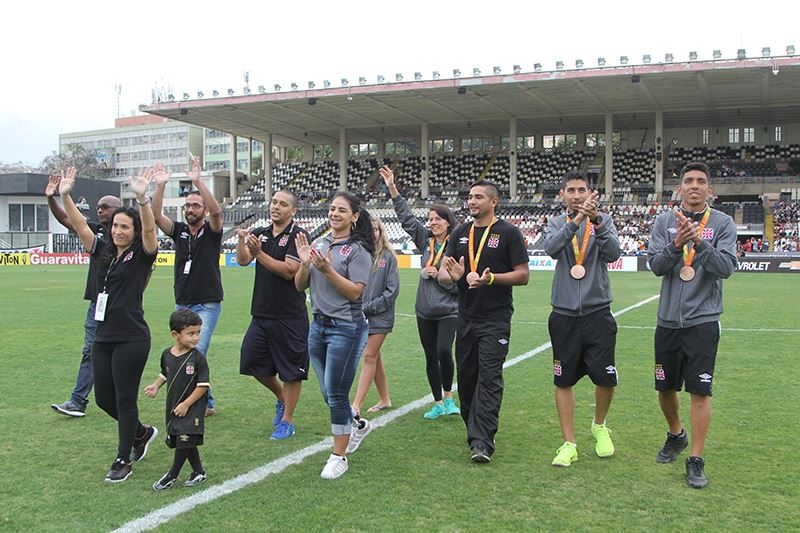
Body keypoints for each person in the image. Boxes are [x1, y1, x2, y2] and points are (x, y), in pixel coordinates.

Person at [58, 166, 160, 483]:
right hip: (104, 336)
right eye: (115, 226)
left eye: (124, 227)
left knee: (125, 399)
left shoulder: (142, 254)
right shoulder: (102, 252)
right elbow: (77, 223)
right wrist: (64, 194)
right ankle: (141, 433)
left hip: (132, 337)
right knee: (104, 399)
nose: (118, 231)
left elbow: (149, 233)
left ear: (132, 230)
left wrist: (143, 200)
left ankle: (122, 459)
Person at [647, 161, 737, 489]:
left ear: (709, 189)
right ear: (680, 188)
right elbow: (655, 265)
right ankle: (676, 434)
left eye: (701, 181)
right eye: (689, 181)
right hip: (668, 321)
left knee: (700, 391)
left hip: (703, 321)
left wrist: (698, 242)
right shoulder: (664, 222)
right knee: (665, 388)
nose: (695, 186)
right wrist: (675, 245)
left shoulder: (723, 223)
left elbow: (726, 267)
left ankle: (695, 460)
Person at [440, 179, 530, 463]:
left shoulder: (508, 233)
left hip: (496, 319)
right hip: (465, 317)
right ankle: (474, 429)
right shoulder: (460, 233)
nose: (472, 201)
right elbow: (444, 271)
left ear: (494, 202)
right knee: (467, 380)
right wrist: (452, 277)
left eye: (478, 197)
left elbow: (523, 274)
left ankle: (483, 441)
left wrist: (491, 278)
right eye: (470, 196)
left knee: (489, 378)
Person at [543, 170, 620, 467]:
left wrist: (596, 221)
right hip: (563, 314)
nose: (577, 195)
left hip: (598, 311)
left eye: (582, 190)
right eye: (571, 190)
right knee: (563, 380)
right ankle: (569, 442)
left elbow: (612, 253)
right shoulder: (555, 223)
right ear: (563, 195)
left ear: (590, 194)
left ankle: (599, 425)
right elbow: (550, 249)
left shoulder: (605, 220)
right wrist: (576, 221)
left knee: (606, 377)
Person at [294, 191, 375, 479]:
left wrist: (327, 270)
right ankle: (358, 425)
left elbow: (356, 292)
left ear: (354, 217)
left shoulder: (358, 250)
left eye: (342, 210)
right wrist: (305, 264)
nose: (335, 214)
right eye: (332, 209)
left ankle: (338, 456)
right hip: (318, 326)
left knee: (337, 394)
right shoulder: (319, 243)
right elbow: (299, 286)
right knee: (330, 394)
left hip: (346, 328)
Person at [379, 166, 461, 419]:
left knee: (444, 351)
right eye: (431, 219)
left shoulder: (457, 244)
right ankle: (437, 402)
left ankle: (449, 397)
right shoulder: (425, 240)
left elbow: (462, 282)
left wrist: (442, 279)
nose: (433, 222)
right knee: (430, 356)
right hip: (424, 310)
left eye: (438, 219)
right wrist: (393, 188)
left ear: (448, 222)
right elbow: (406, 218)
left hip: (448, 309)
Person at [151, 156, 223, 416]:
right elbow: (157, 216)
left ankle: (197, 404)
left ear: (202, 210)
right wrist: (159, 186)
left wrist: (198, 181)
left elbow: (216, 213)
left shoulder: (212, 232)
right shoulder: (179, 230)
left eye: (196, 206)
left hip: (207, 302)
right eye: (188, 205)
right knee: (189, 349)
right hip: (183, 301)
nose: (191, 209)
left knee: (196, 349)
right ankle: (209, 401)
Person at [236, 190, 310, 440]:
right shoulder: (261, 233)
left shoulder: (298, 235)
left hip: (289, 315)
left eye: (283, 204)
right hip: (261, 313)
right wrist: (241, 240)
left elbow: (290, 270)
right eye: (274, 202)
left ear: (293, 211)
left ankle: (287, 421)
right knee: (251, 361)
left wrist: (260, 254)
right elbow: (244, 260)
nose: (276, 207)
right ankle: (281, 397)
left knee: (291, 370)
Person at [46, 174, 121, 417]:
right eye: (97, 207)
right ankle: (78, 401)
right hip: (97, 303)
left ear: (118, 210)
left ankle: (119, 396)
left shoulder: (129, 234)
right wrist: (51, 198)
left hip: (121, 305)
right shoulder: (96, 231)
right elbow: (68, 219)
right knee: (90, 350)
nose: (99, 210)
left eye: (104, 207)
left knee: (119, 352)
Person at [144, 309, 210, 491]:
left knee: (184, 438)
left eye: (198, 333)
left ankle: (172, 475)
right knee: (184, 440)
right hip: (174, 406)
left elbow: (203, 386)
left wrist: (187, 404)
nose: (196, 337)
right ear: (175, 334)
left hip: (192, 407)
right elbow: (165, 373)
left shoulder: (198, 358)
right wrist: (156, 385)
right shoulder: (167, 354)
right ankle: (199, 472)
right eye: (191, 333)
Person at [351, 218, 400, 416]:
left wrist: (369, 308)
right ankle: (384, 398)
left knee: (369, 356)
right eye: (368, 230)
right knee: (375, 356)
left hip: (380, 316)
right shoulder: (359, 255)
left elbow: (392, 291)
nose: (372, 233)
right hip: (361, 315)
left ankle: (356, 406)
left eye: (375, 229)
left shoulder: (387, 257)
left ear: (381, 232)